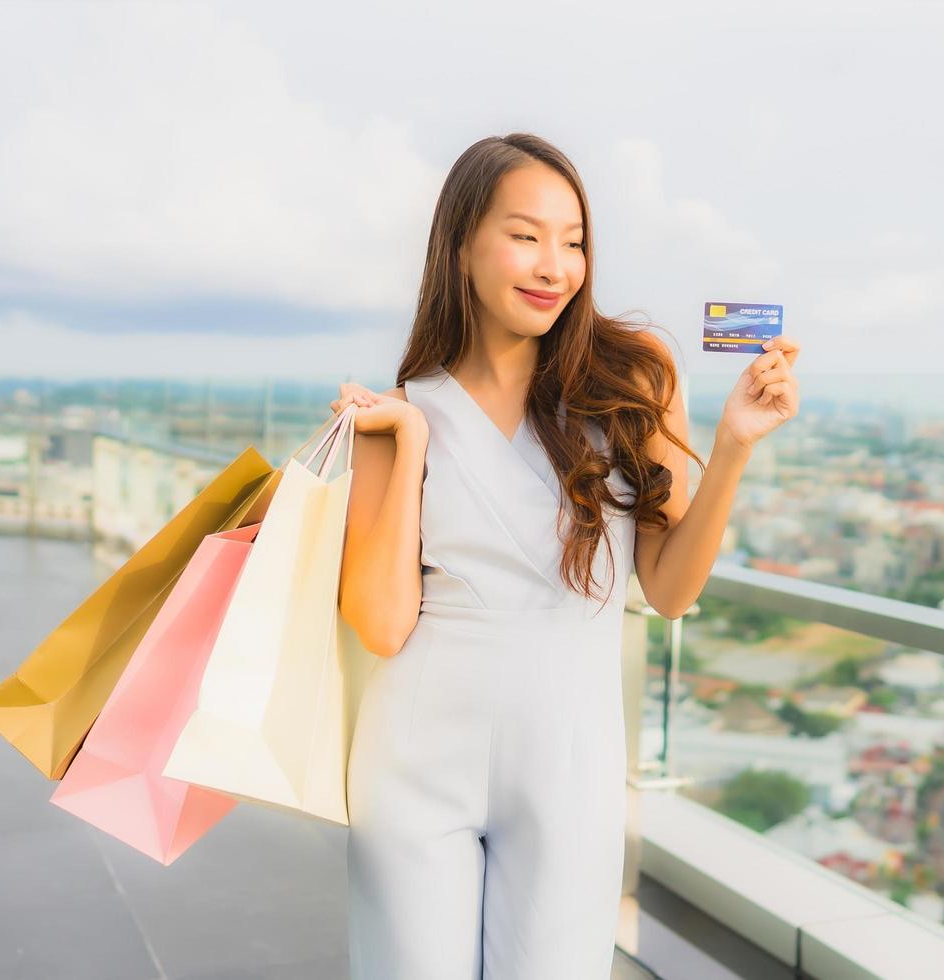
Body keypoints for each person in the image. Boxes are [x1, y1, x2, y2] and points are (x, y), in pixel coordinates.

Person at [329, 132, 801, 979]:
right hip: (414, 757)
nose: (555, 264)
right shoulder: (401, 409)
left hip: (572, 762)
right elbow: (382, 625)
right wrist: (406, 445)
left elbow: (669, 589)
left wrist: (732, 446)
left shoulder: (634, 383)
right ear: (462, 242)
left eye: (573, 240)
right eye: (525, 235)